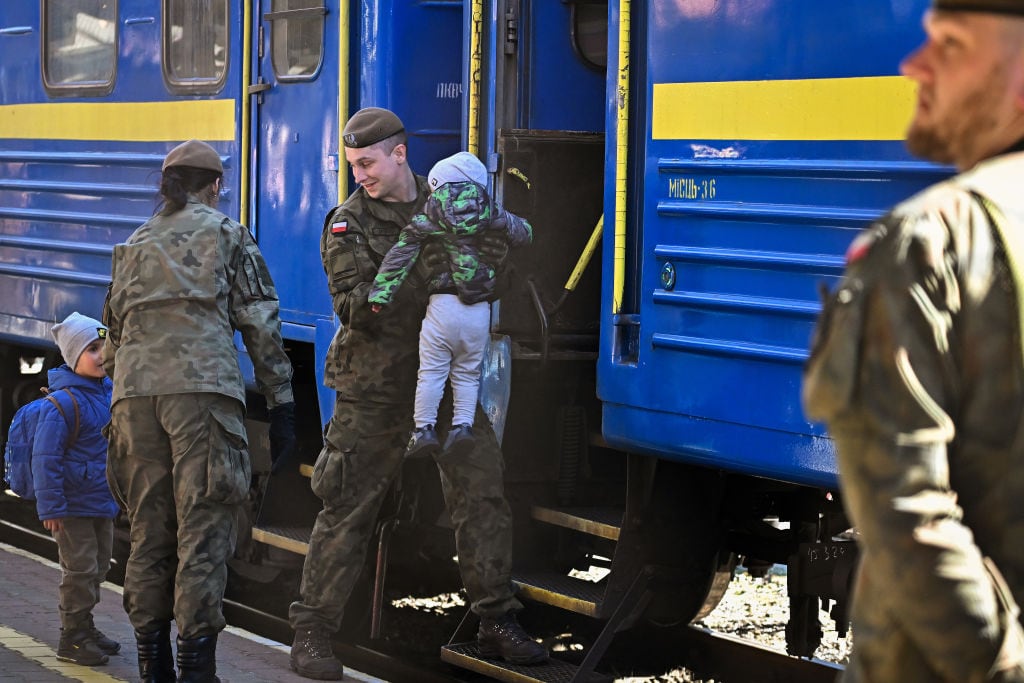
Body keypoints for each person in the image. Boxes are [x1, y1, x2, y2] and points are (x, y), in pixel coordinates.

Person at [803, 2, 1024, 680]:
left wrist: (997, 661)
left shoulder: (929, 242)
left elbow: (907, 517)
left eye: (950, 46)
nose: (912, 65)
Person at [288, 107, 548, 680]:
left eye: (368, 163)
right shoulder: (348, 224)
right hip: (373, 391)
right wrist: (431, 283)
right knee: (347, 509)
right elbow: (355, 307)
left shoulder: (453, 199)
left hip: (448, 386)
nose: (360, 174)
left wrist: (486, 276)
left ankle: (496, 618)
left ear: (400, 153)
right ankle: (312, 630)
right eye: (354, 164)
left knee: (482, 495)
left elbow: (504, 269)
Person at [102, 139, 295, 683]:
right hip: (202, 395)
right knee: (203, 531)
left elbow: (113, 334)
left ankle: (152, 666)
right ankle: (196, 669)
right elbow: (259, 322)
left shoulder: (136, 242)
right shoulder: (226, 233)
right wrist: (281, 404)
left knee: (149, 530)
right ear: (215, 185)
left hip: (135, 399)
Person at [368, 151, 533, 459]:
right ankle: (462, 427)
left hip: (442, 306)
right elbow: (524, 234)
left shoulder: (430, 212)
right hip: (478, 309)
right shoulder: (491, 210)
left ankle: (424, 430)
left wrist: (381, 294)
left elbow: (401, 253)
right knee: (467, 373)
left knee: (431, 372)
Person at [34, 312, 120, 667]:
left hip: (101, 502)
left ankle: (85, 625)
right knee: (80, 570)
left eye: (105, 346)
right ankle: (71, 638)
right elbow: (45, 459)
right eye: (92, 348)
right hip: (71, 506)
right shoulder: (63, 404)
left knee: (98, 567)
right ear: (72, 357)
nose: (102, 355)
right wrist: (51, 508)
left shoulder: (109, 393)